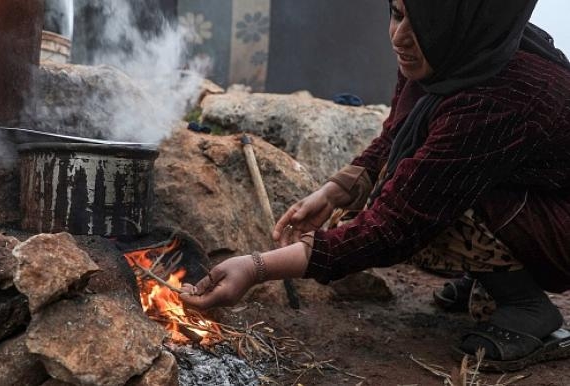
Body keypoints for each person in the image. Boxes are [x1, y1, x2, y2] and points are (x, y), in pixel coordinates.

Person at [180, 0, 570, 371]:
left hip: (559, 223)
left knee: (424, 192)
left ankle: (526, 305)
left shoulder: (501, 94)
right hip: (524, 194)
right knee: (407, 179)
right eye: (397, 13)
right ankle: (490, 275)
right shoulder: (452, 48)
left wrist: (257, 268)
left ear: (455, 24)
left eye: (418, 24)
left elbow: (396, 225)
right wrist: (336, 189)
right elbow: (398, 132)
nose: (398, 36)